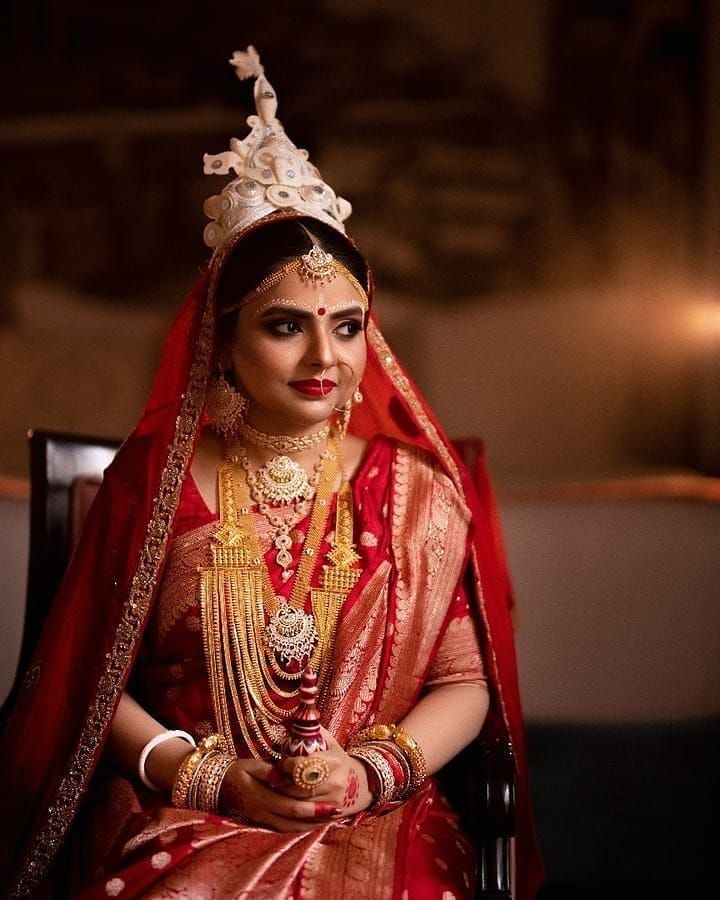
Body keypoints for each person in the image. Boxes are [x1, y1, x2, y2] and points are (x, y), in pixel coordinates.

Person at [0, 48, 542, 899]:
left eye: (351, 325)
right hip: (187, 812)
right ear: (223, 342)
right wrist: (206, 777)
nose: (326, 357)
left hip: (378, 813)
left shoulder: (419, 494)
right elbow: (93, 682)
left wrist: (367, 775)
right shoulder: (153, 483)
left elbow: (466, 683)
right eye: (286, 325)